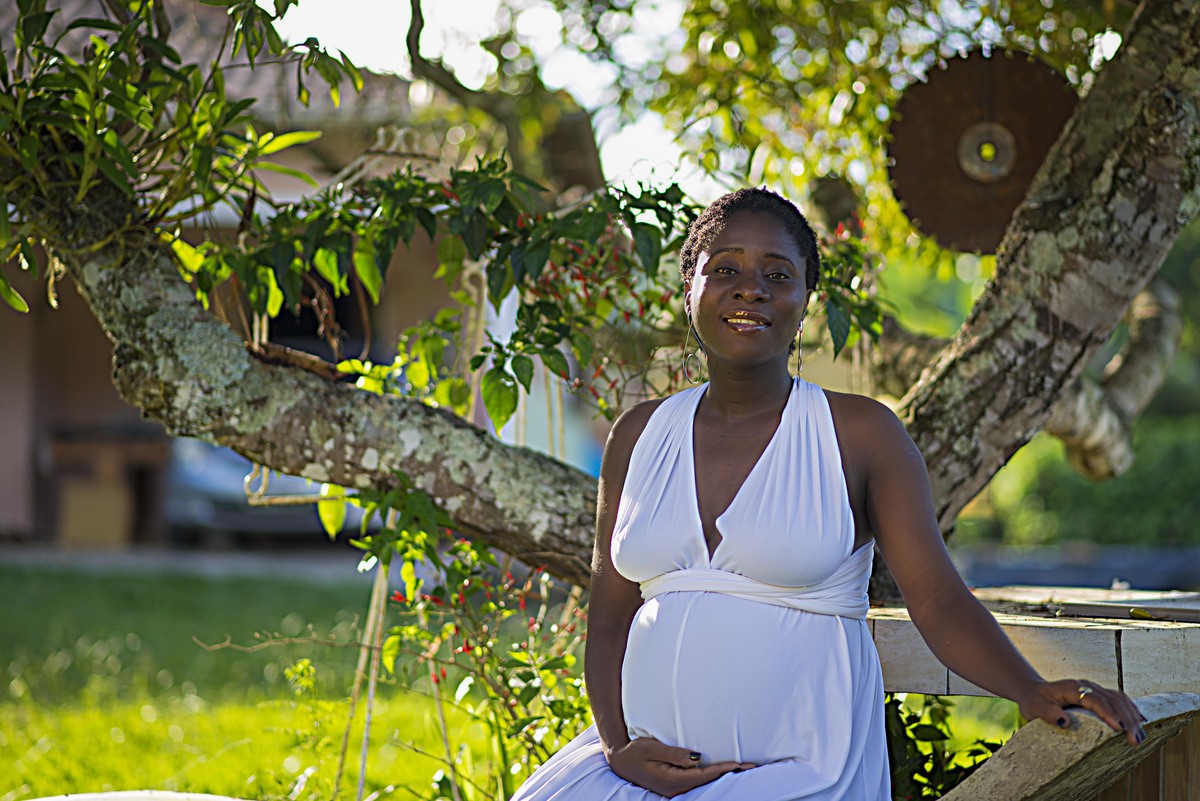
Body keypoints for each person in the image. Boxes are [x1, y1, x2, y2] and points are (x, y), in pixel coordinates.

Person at [510, 188, 1146, 801]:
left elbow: (938, 599)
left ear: (806, 300)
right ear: (689, 290)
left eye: (778, 273)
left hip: (800, 772)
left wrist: (1030, 690)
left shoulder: (860, 434)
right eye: (724, 267)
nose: (750, 287)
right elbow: (610, 618)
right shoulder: (638, 435)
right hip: (638, 771)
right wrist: (620, 749)